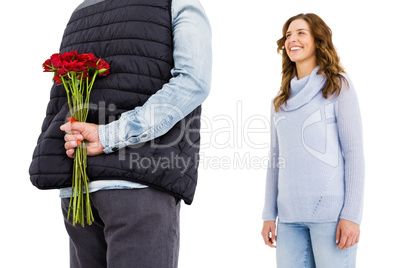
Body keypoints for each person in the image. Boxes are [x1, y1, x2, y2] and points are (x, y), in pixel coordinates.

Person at [29, 0, 211, 267]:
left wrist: (69, 139)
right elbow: (193, 82)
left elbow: (62, 98)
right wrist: (109, 136)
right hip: (138, 184)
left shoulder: (82, 10)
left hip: (78, 191)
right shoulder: (176, 3)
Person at [260, 13, 364, 268]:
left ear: (318, 40)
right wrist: (268, 214)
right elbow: (276, 161)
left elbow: (354, 154)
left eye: (300, 33)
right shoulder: (280, 101)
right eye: (288, 35)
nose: (292, 40)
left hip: (331, 217)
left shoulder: (338, 86)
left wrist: (352, 216)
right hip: (289, 219)